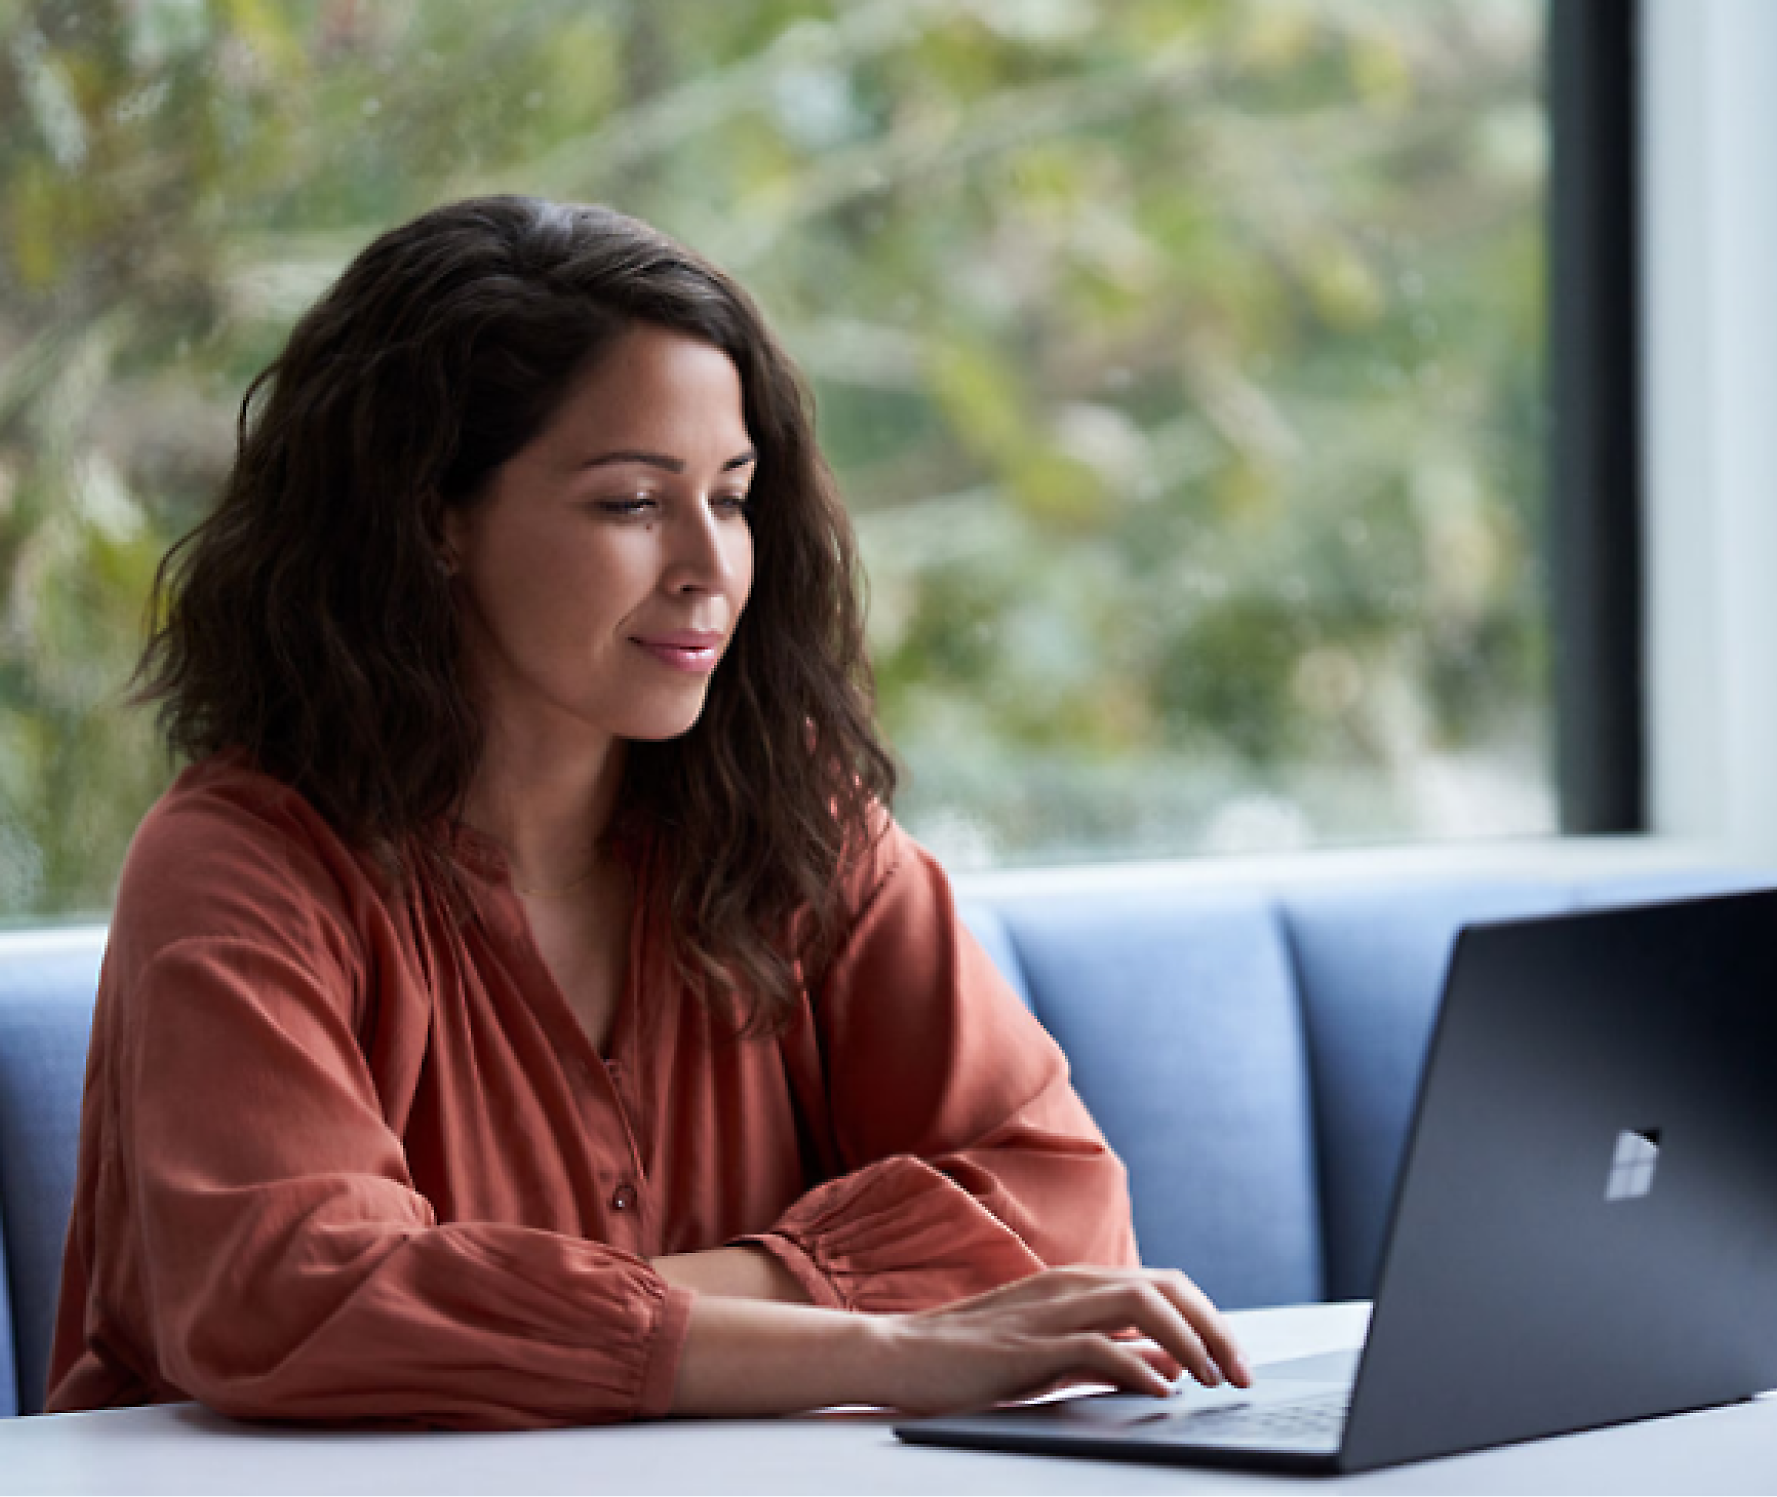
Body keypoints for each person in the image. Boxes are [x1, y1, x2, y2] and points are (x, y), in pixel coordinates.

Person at [43, 196, 1250, 1429]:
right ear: (431, 519)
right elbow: (293, 1300)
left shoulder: (794, 828)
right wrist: (888, 1344)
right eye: (631, 502)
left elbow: (1057, 1205)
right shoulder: (242, 866)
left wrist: (550, 1314)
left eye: (729, 496)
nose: (709, 565)